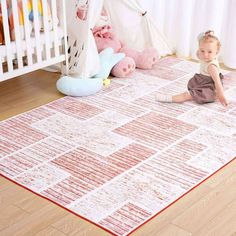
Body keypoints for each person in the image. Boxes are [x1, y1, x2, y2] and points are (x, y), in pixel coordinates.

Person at [155, 30, 228, 107]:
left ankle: (169, 98)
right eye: (202, 51)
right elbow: (199, 41)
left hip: (209, 88)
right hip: (203, 81)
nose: (205, 54)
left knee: (187, 95)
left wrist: (221, 96)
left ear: (217, 52)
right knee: (192, 88)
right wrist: (208, 35)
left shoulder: (211, 67)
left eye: (209, 52)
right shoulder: (204, 55)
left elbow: (217, 82)